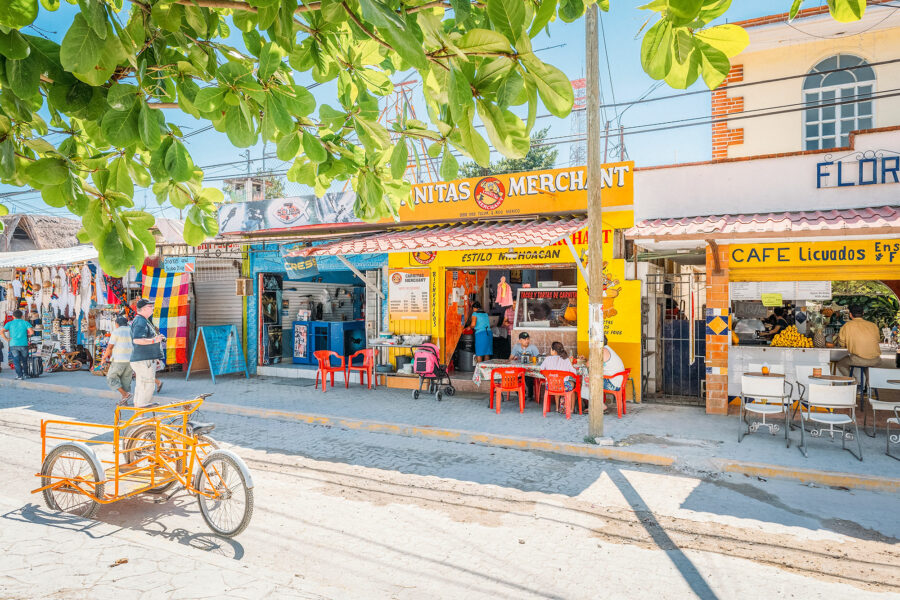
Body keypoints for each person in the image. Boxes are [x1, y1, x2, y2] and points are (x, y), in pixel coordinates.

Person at [130, 299, 165, 408]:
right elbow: (137, 340)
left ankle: (139, 417)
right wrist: (155, 340)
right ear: (144, 308)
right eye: (150, 306)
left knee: (141, 387)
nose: (152, 308)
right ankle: (141, 417)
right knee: (147, 387)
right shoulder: (141, 321)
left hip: (143, 359)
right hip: (144, 360)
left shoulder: (143, 320)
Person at [836, 304, 882, 376]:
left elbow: (842, 343)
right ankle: (869, 384)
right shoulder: (873, 325)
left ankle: (854, 382)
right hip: (876, 360)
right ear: (863, 313)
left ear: (850, 314)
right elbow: (878, 339)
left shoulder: (847, 326)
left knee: (841, 364)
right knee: (867, 365)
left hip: (858, 360)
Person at [102, 316, 133, 405]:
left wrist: (104, 358)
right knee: (126, 380)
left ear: (117, 324)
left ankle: (125, 394)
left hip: (119, 359)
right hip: (130, 360)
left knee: (111, 378)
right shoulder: (132, 330)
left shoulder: (117, 331)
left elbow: (110, 347)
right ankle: (124, 401)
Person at [2, 310, 33, 380]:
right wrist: (26, 336)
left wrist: (6, 339)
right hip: (24, 344)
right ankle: (26, 374)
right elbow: (31, 332)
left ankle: (19, 376)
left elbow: (1, 331)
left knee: (16, 361)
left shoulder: (9, 323)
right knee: (25, 360)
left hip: (13, 344)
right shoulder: (25, 322)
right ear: (22, 316)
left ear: (13, 316)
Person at [511, 332, 541, 399]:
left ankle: (530, 395)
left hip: (529, 369)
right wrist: (513, 360)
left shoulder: (533, 347)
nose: (527, 341)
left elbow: (539, 359)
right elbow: (510, 358)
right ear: (520, 341)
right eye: (524, 339)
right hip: (518, 369)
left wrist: (531, 359)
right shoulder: (516, 347)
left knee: (529, 378)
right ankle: (521, 393)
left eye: (528, 339)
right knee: (513, 378)